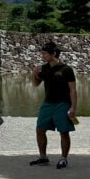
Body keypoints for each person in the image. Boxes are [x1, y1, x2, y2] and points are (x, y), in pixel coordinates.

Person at [31, 41, 78, 169]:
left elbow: (73, 89)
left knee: (63, 131)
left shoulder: (66, 69)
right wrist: (34, 73)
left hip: (63, 104)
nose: (43, 56)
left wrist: (73, 107)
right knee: (40, 129)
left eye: (45, 53)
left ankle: (63, 159)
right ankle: (43, 157)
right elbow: (35, 84)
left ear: (54, 54)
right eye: (42, 53)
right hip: (48, 103)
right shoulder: (44, 68)